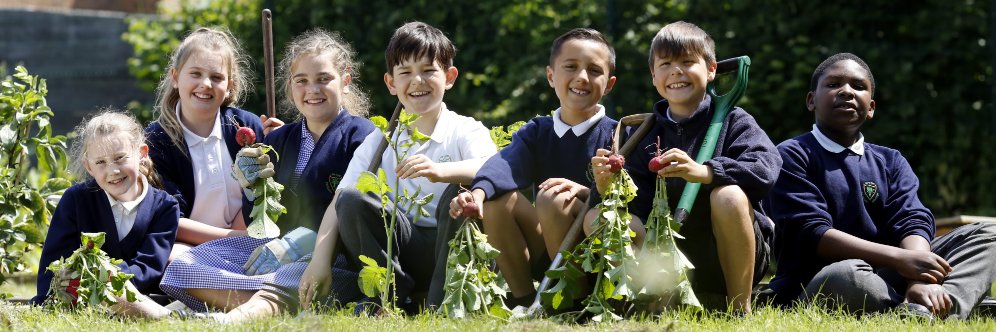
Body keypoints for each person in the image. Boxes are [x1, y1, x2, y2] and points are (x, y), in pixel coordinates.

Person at [158, 29, 375, 322]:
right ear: (290, 87)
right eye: (302, 81)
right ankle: (277, 304)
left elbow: (357, 213)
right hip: (274, 251)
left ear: (345, 82)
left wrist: (301, 242)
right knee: (182, 266)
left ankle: (234, 316)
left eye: (323, 79)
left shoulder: (363, 137)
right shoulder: (279, 140)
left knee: (291, 275)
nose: (312, 89)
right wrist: (252, 189)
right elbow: (257, 223)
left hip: (331, 258)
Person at [766, 52, 996, 320]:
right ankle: (939, 306)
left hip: (894, 275)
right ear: (811, 101)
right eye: (833, 84)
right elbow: (811, 232)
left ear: (871, 107)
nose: (847, 92)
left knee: (989, 234)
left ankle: (925, 308)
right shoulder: (791, 154)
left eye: (859, 86)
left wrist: (919, 278)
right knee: (848, 275)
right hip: (824, 280)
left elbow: (912, 219)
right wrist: (902, 261)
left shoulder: (891, 160)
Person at [299, 21, 497, 314]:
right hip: (404, 250)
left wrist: (442, 171)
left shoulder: (464, 130)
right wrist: (320, 261)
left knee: (461, 192)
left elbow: (492, 168)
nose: (417, 81)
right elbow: (340, 199)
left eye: (429, 70)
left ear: (449, 77)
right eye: (405, 73)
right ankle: (388, 297)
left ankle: (442, 303)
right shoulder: (381, 141)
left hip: (453, 244)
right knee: (353, 198)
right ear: (391, 83)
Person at [587, 21, 781, 313]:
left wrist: (706, 173)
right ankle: (646, 301)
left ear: (712, 70)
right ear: (654, 76)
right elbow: (635, 207)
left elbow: (766, 167)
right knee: (599, 217)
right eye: (665, 64)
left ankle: (740, 308)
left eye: (688, 62)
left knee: (728, 196)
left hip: (726, 255)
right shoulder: (643, 134)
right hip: (669, 257)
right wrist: (607, 188)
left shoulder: (733, 120)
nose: (676, 71)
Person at [447, 28, 619, 308]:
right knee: (496, 200)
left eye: (594, 71)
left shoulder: (619, 135)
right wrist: (477, 194)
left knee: (555, 197)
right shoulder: (538, 131)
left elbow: (629, 202)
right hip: (546, 249)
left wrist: (586, 193)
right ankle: (524, 301)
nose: (582, 78)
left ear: (609, 83)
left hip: (595, 255)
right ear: (551, 76)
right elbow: (505, 165)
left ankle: (571, 303)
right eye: (571, 67)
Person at [144, 27, 282, 260]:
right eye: (195, 74)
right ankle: (241, 292)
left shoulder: (246, 127)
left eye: (216, 77)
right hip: (189, 246)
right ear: (175, 77)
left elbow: (259, 195)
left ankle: (235, 289)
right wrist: (233, 238)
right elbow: (171, 220)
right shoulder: (157, 141)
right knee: (174, 260)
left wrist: (283, 142)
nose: (206, 84)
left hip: (248, 238)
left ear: (229, 85)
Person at [32, 110, 178, 318]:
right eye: (100, 162)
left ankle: (165, 317)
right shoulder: (76, 199)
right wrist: (50, 299)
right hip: (82, 298)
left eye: (120, 158)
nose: (113, 170)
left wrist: (104, 280)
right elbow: (55, 262)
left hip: (140, 298)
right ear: (88, 167)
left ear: (142, 153)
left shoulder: (165, 206)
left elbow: (149, 267)